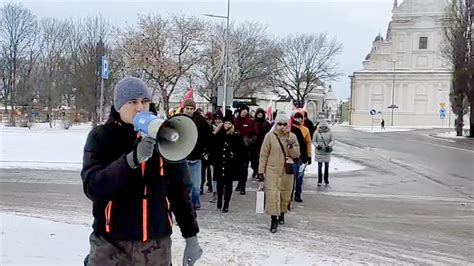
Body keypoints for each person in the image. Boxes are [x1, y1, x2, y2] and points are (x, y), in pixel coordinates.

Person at [81, 76, 202, 265]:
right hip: (111, 243)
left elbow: (180, 191)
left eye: (145, 101)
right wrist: (129, 162)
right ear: (119, 105)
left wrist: (191, 236)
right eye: (132, 102)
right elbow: (93, 187)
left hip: (155, 245)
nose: (140, 107)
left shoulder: (165, 136)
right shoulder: (101, 137)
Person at [257, 111, 300, 233]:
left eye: (284, 124)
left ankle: (282, 213)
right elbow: (263, 155)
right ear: (275, 124)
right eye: (279, 124)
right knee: (272, 195)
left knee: (284, 194)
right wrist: (261, 171)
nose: (282, 126)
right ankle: (273, 219)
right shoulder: (269, 137)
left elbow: (297, 154)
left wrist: (291, 147)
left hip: (287, 171)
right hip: (272, 171)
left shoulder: (292, 137)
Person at [210, 113, 244, 213]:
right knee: (220, 183)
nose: (227, 125)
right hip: (219, 163)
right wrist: (213, 159)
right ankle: (219, 199)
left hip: (230, 164)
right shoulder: (218, 135)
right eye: (225, 123)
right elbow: (213, 149)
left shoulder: (236, 136)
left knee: (228, 184)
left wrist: (235, 156)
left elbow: (240, 151)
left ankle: (226, 203)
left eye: (229, 123)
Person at [182, 99, 213, 209]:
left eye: (191, 109)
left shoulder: (200, 121)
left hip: (197, 158)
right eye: (187, 108)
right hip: (182, 157)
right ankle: (188, 204)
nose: (189, 111)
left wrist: (204, 150)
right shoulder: (179, 120)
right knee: (185, 184)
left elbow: (209, 137)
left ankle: (195, 202)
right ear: (183, 108)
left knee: (196, 186)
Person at [233, 104, 256, 195]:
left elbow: (255, 134)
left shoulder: (250, 121)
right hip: (236, 147)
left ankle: (243, 186)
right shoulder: (235, 120)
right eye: (242, 110)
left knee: (244, 167)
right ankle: (239, 183)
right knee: (236, 167)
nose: (243, 112)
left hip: (245, 148)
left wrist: (249, 141)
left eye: (245, 111)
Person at [291, 112, 312, 202]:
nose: (298, 120)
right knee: (292, 177)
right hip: (292, 156)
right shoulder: (290, 128)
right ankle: (290, 194)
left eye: (300, 118)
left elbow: (308, 143)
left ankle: (298, 194)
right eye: (296, 118)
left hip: (302, 157)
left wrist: (309, 156)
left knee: (300, 177)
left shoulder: (305, 130)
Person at [312, 120, 335, 186]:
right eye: (322, 127)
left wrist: (329, 145)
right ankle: (319, 180)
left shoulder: (330, 132)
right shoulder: (316, 132)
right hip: (319, 152)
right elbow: (313, 141)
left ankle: (326, 179)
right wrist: (317, 145)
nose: (323, 128)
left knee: (326, 166)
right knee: (319, 166)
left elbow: (332, 140)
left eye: (324, 127)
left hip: (326, 152)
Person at [250, 108, 271, 179]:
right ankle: (255, 170)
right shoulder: (252, 122)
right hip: (254, 144)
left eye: (261, 113)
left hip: (263, 143)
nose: (260, 115)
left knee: (261, 158)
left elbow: (268, 133)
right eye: (258, 113)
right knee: (254, 159)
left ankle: (260, 172)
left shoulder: (266, 123)